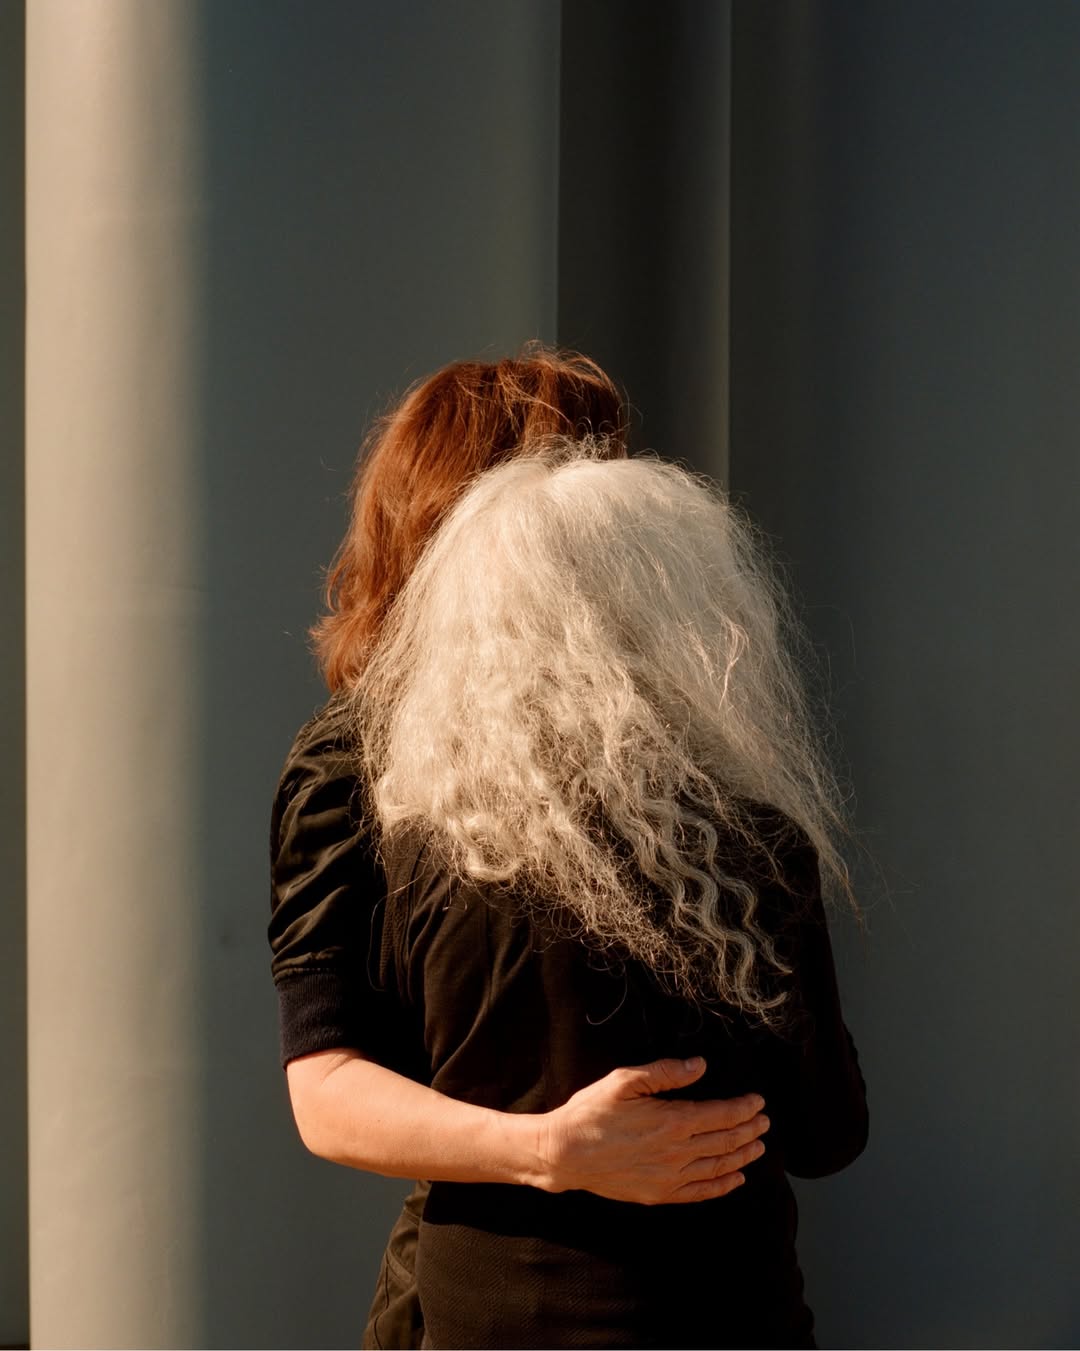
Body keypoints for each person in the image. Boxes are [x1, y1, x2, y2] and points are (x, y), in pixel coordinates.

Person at [269, 348, 787, 1348]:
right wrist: (551, 1147)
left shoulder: (683, 743)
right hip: (487, 1287)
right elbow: (323, 1089)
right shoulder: (351, 756)